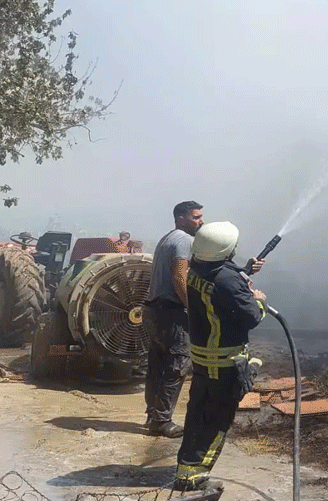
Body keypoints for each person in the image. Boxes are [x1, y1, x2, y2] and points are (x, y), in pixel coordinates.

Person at [173, 221, 268, 493]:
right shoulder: (227, 280)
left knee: (198, 415)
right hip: (225, 365)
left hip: (203, 361)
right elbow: (251, 316)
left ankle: (186, 466)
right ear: (229, 248)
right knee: (216, 421)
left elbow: (219, 287)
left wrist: (244, 272)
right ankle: (194, 478)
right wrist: (258, 298)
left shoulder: (197, 269)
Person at [141, 201, 203, 437]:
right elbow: (179, 276)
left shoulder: (167, 238)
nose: (201, 221)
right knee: (177, 365)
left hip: (154, 310)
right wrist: (192, 307)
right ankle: (162, 421)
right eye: (196, 217)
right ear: (181, 218)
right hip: (171, 313)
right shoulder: (184, 240)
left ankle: (153, 415)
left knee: (157, 366)